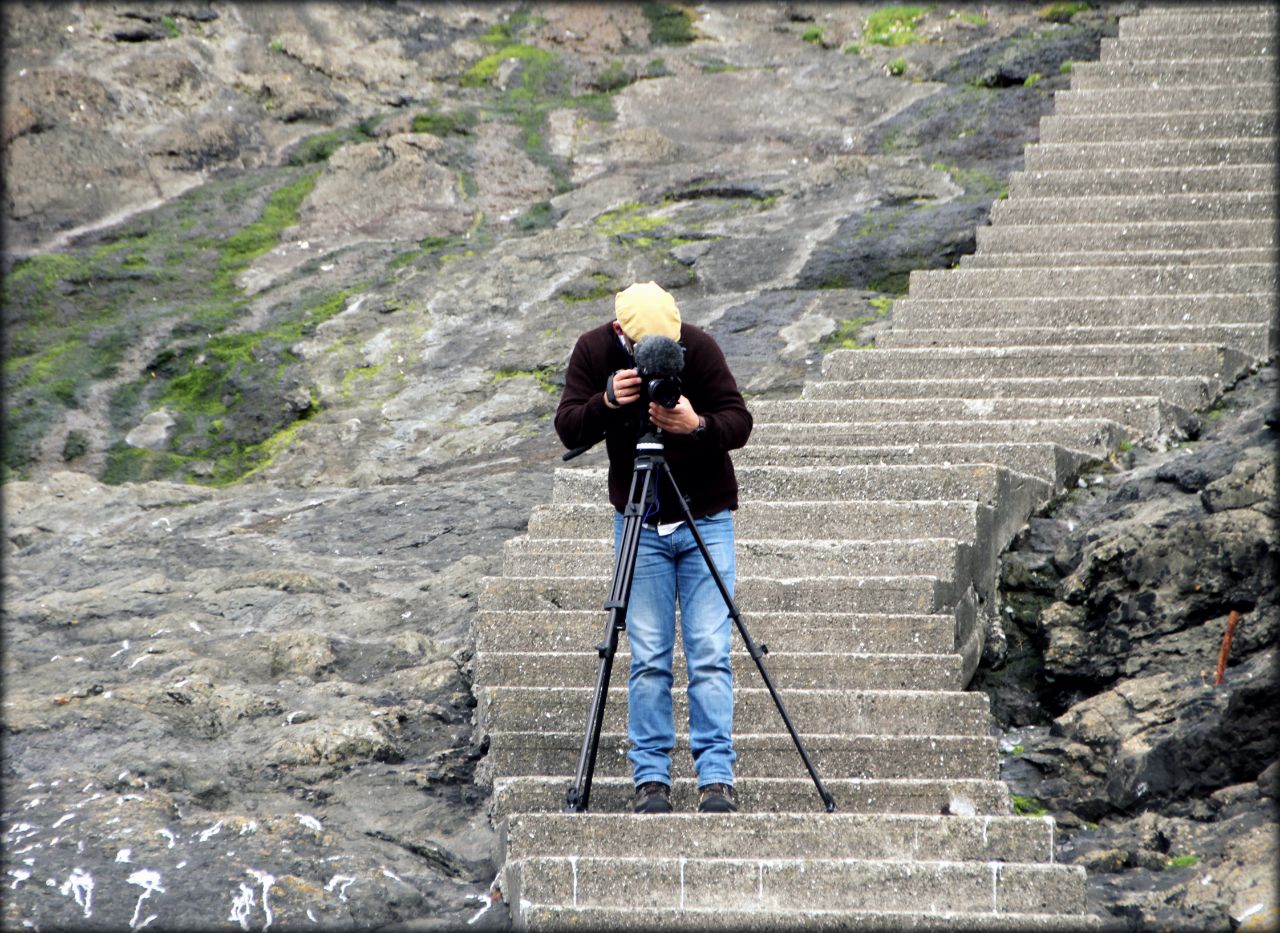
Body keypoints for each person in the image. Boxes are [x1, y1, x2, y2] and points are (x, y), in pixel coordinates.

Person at [554, 281, 753, 814]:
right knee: (648, 657)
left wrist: (697, 425)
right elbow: (567, 426)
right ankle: (651, 780)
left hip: (704, 516)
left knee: (710, 653)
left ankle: (715, 778)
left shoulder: (701, 347)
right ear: (622, 334)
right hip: (640, 522)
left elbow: (740, 422)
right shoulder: (595, 350)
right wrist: (605, 402)